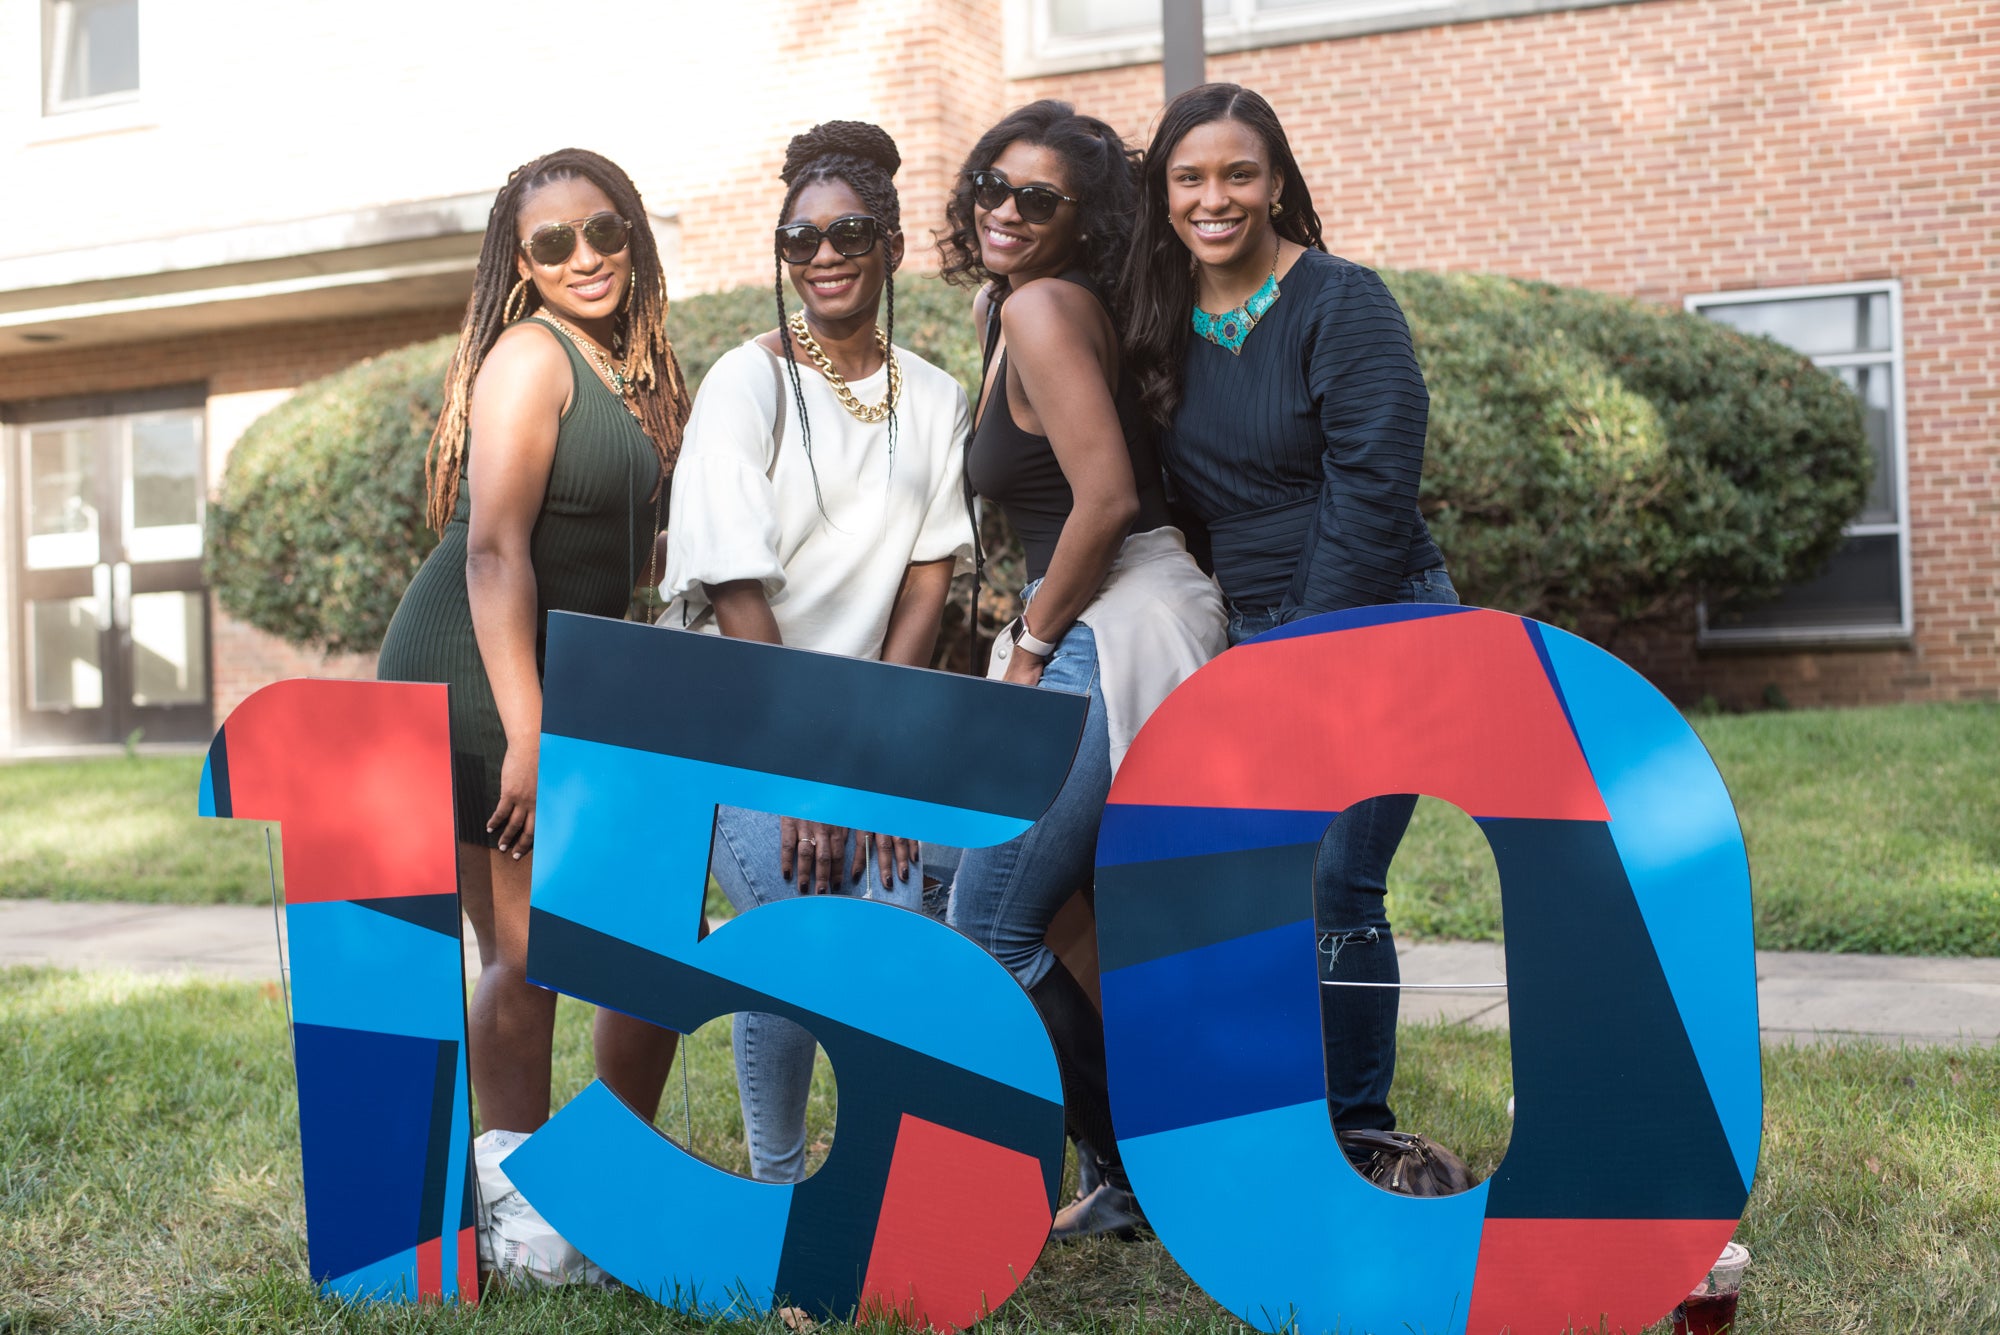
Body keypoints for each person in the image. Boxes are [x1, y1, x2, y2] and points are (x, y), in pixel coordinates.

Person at [1119, 85, 1458, 1170]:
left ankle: (1355, 1127)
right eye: (1189, 177)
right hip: (1243, 631)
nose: (1213, 198)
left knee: (1333, 879)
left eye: (1237, 174)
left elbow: (1371, 490)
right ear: (1161, 191)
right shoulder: (1157, 323)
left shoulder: (1340, 303)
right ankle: (1262, 1121)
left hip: (1372, 620)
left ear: (1275, 184)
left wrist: (1302, 658)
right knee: (1247, 877)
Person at [645, 121, 975, 1184]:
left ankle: (898, 1183)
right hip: (742, 727)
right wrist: (803, 772)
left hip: (863, 731)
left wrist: (865, 761)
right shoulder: (743, 387)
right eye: (800, 240)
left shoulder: (933, 397)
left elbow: (925, 585)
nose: (824, 256)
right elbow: (734, 587)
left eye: (847, 234)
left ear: (887, 246)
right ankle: (781, 1187)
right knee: (795, 916)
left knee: (900, 911)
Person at [936, 100, 1226, 1240]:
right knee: (1064, 919)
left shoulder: (1048, 307)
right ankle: (1136, 1170)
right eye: (989, 189)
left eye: (1036, 199)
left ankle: (1141, 1167)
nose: (1004, 212)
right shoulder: (1004, 308)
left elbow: (1102, 500)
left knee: (990, 920)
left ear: (1082, 219)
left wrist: (1027, 643)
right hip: (1102, 605)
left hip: (1123, 617)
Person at [378, 148, 693, 1135]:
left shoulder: (630, 367)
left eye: (603, 230)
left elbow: (615, 556)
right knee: (521, 947)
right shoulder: (531, 356)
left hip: (568, 677)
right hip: (482, 674)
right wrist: (528, 733)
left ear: (631, 233)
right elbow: (493, 554)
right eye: (552, 243)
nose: (584, 256)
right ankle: (514, 1188)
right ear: (519, 263)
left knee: (644, 935)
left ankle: (605, 1165)